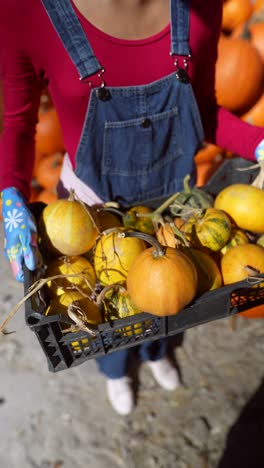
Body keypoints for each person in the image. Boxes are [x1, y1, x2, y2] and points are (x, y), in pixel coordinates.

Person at [0, 0, 264, 415]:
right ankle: (116, 369)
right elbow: (17, 123)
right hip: (92, 221)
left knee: (170, 297)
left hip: (176, 212)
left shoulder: (203, 7)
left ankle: (158, 351)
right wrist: (11, 194)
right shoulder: (25, 11)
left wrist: (258, 142)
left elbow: (203, 110)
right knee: (106, 314)